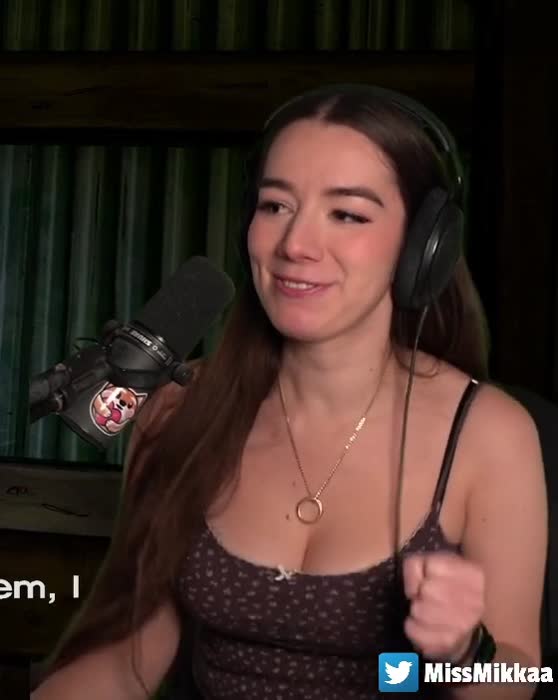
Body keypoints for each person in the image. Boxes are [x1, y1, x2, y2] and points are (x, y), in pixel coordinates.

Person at [32, 84, 547, 699]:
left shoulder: (491, 435)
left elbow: (519, 673)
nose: (295, 245)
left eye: (347, 214)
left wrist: (468, 650)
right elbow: (130, 657)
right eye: (276, 205)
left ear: (423, 249)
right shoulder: (177, 409)